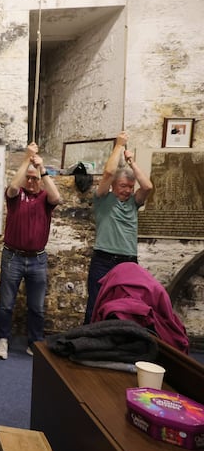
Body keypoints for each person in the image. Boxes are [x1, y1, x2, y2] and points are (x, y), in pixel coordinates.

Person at [0, 143, 61, 360]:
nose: (31, 182)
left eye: (35, 178)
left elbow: (57, 197)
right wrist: (27, 159)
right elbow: (13, 185)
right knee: (6, 304)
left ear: (41, 179)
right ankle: (2, 340)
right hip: (12, 256)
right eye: (28, 178)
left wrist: (42, 169)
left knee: (36, 307)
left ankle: (34, 342)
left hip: (37, 260)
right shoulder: (15, 196)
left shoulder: (45, 199)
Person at [85, 131, 153, 324]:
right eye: (123, 186)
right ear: (114, 185)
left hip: (129, 261)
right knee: (96, 304)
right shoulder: (102, 199)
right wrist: (119, 146)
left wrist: (131, 162)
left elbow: (147, 187)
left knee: (127, 307)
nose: (128, 190)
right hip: (103, 259)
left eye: (130, 187)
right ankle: (89, 346)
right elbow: (108, 172)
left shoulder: (134, 202)